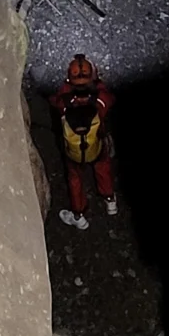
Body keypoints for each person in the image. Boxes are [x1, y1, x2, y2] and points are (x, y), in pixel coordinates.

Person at [50, 55, 117, 230]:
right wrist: (98, 83)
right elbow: (110, 99)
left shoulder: (64, 102)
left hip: (74, 155)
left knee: (75, 179)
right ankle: (110, 201)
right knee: (103, 167)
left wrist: (67, 86)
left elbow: (54, 100)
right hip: (96, 147)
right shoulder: (100, 100)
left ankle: (79, 216)